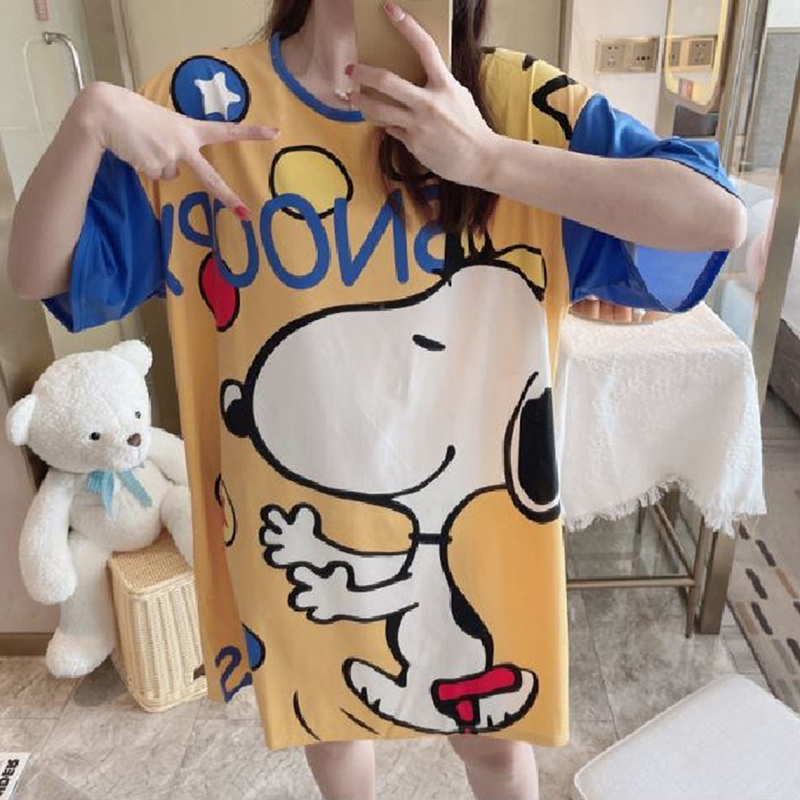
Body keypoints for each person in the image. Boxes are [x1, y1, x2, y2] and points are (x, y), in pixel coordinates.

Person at [7, 1, 746, 797]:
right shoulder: (207, 103)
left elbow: (715, 218)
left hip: (475, 537)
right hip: (294, 520)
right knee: (328, 729)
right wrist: (90, 119)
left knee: (496, 750)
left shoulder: (509, 102)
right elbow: (38, 272)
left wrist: (491, 159)